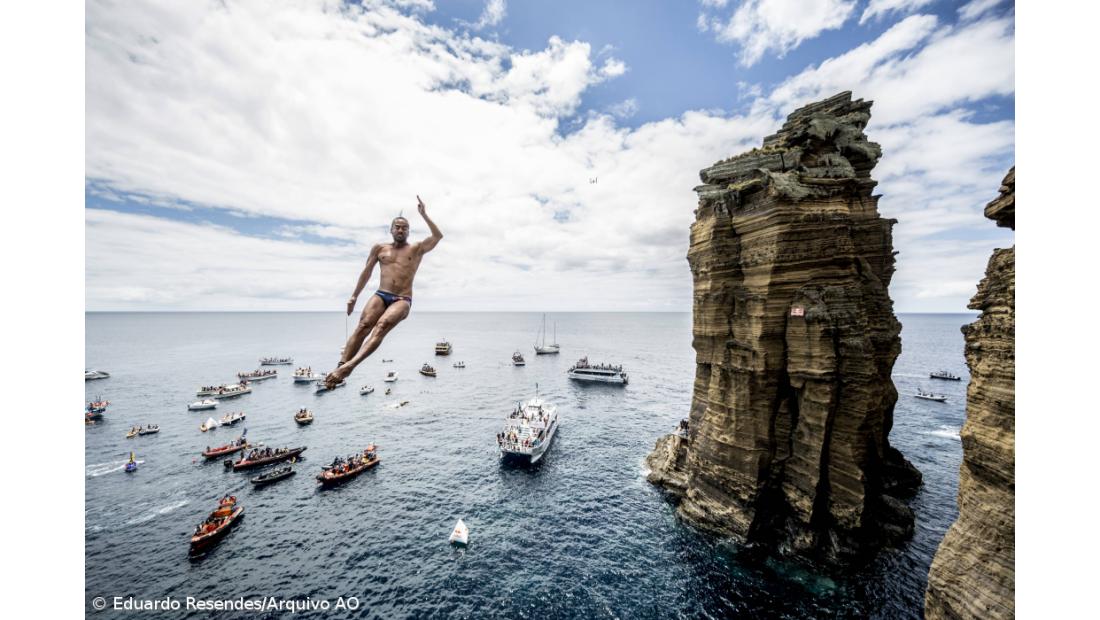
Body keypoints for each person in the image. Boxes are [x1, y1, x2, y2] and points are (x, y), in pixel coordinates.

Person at [324, 196, 442, 388]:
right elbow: (366, 272)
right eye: (398, 226)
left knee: (381, 326)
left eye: (404, 227)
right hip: (381, 294)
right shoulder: (380, 248)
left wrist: (424, 215)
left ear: (408, 231)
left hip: (402, 299)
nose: (401, 229)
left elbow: (437, 236)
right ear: (391, 229)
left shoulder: (417, 248)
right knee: (363, 326)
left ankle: (349, 367)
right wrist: (354, 296)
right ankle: (340, 367)